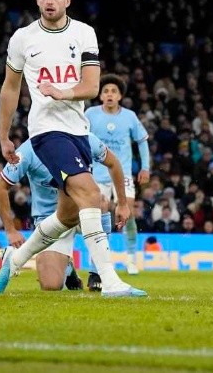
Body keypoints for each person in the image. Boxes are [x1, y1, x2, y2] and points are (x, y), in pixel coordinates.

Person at [0, 0, 145, 297]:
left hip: (78, 129)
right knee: (91, 195)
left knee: (67, 213)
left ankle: (16, 258)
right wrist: (4, 135)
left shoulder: (84, 33)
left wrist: (61, 93)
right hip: (46, 131)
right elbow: (10, 87)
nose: (49, 1)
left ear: (67, 0)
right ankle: (110, 281)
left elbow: (91, 86)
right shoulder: (22, 38)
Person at [0, 133, 128, 291]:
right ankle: (67, 268)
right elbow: (0, 187)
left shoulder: (84, 137)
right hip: (49, 220)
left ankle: (96, 274)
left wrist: (123, 203)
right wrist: (10, 230)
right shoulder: (29, 150)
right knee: (51, 285)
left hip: (80, 212)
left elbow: (113, 162)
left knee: (101, 201)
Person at [85, 74, 150, 282]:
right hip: (97, 174)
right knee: (98, 218)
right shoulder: (90, 114)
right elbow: (81, 139)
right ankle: (99, 261)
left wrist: (145, 167)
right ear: (100, 96)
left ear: (120, 96)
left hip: (122, 175)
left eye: (113, 91)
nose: (110, 94)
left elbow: (142, 141)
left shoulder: (130, 116)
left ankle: (131, 259)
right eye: (106, 91)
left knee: (127, 213)